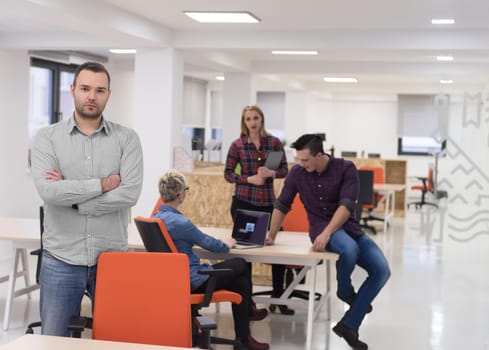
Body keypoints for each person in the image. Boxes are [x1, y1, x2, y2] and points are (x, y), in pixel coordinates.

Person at [30, 61, 144, 336]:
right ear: (72, 90)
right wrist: (103, 184)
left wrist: (74, 199)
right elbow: (48, 191)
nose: (91, 96)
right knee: (54, 340)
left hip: (112, 257)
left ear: (108, 94)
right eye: (84, 89)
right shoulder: (48, 138)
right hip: (61, 258)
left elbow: (130, 193)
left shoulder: (127, 139)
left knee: (117, 339)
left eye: (99, 90)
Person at [265, 134, 391, 350]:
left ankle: (348, 324)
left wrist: (327, 233)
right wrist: (271, 234)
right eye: (299, 160)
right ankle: (345, 290)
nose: (300, 164)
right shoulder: (297, 173)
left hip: (346, 227)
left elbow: (346, 205)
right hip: (319, 228)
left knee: (382, 270)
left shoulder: (345, 168)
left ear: (320, 155)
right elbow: (282, 204)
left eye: (305, 160)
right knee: (348, 250)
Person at [153, 169, 269, 350]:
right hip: (194, 281)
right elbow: (213, 246)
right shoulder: (181, 223)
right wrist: (228, 243)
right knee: (241, 264)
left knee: (240, 283)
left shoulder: (155, 219)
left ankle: (244, 340)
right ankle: (247, 322)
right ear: (180, 195)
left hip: (174, 281)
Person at [224, 104, 294, 315]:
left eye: (256, 118)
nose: (252, 122)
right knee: (247, 255)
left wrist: (270, 174)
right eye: (248, 119)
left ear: (261, 119)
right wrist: (248, 178)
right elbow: (228, 174)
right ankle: (248, 304)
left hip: (268, 204)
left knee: (277, 254)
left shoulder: (273, 143)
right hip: (244, 203)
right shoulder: (237, 145)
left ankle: (278, 299)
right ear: (244, 122)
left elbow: (284, 170)